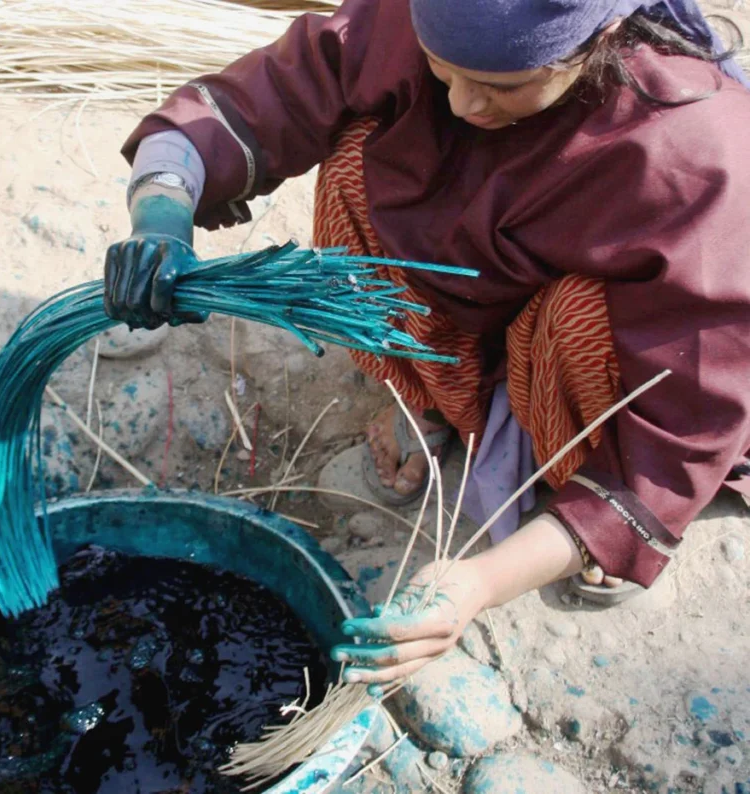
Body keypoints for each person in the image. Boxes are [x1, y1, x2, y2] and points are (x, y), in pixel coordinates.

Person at [103, 0, 750, 687]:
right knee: (357, 155)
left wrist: (478, 583)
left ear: (603, 36)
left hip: (628, 354)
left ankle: (581, 519)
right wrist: (160, 217)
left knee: (580, 320)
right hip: (493, 291)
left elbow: (686, 425)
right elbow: (258, 99)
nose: (465, 104)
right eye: (444, 74)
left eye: (502, 87)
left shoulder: (696, 157)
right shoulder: (416, 17)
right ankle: (437, 398)